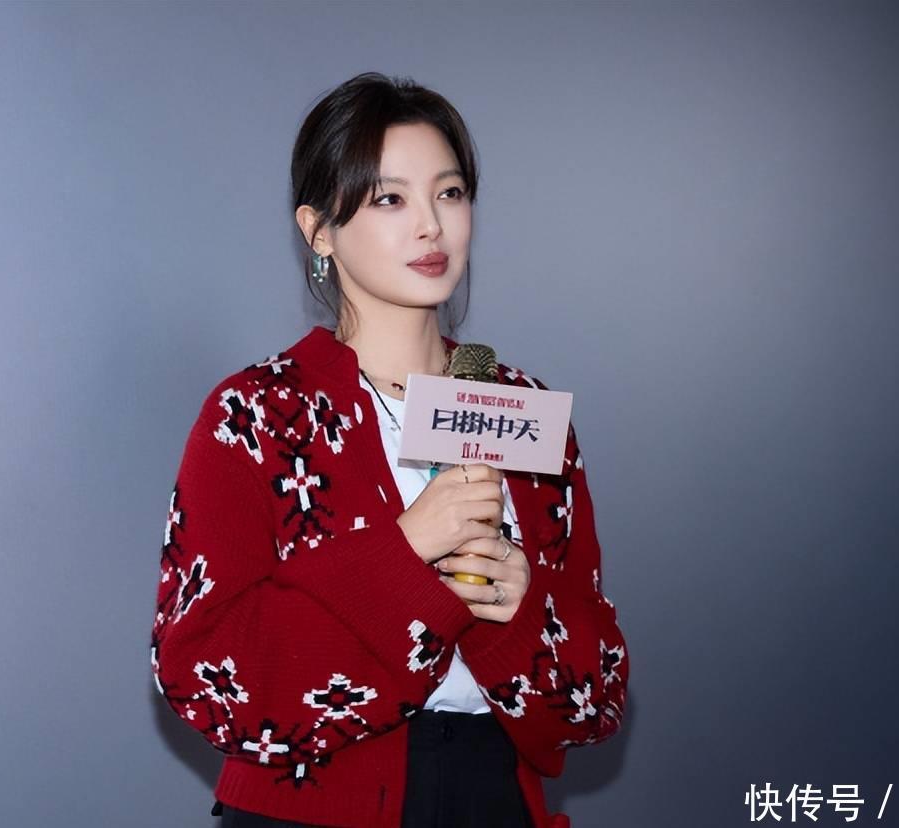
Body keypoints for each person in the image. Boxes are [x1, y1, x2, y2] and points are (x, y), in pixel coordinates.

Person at [151, 72, 629, 828]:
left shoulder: (524, 413)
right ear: (319, 230)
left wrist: (522, 611)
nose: (431, 226)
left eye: (450, 193)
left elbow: (597, 699)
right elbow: (202, 673)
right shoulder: (256, 415)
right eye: (389, 199)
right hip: (308, 808)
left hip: (495, 800)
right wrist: (404, 556)